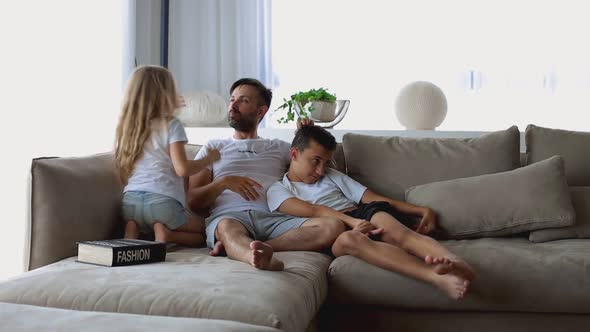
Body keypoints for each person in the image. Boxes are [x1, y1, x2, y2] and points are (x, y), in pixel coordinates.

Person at [266, 125, 475, 299]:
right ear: (294, 154)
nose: (321, 170)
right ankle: (435, 276)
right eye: (316, 161)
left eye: (326, 162)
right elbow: (315, 211)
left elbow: (373, 198)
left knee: (395, 231)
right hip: (335, 231)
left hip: (362, 214)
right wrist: (352, 223)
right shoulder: (278, 190)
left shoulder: (332, 176)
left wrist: (421, 210)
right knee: (349, 240)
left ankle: (456, 263)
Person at [187, 78, 345, 271]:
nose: (233, 106)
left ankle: (260, 248)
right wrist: (223, 183)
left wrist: (305, 137)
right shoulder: (213, 147)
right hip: (231, 217)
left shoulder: (278, 147)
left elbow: (316, 162)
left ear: (261, 111)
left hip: (276, 219)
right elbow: (193, 200)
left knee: (333, 227)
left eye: (243, 101)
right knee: (227, 228)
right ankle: (252, 255)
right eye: (232, 99)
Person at [114, 65, 220, 246]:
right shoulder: (171, 124)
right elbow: (182, 169)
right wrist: (208, 159)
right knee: (205, 233)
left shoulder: (127, 127)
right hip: (162, 203)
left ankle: (130, 234)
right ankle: (166, 235)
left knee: (136, 221)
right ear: (165, 95)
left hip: (129, 203)